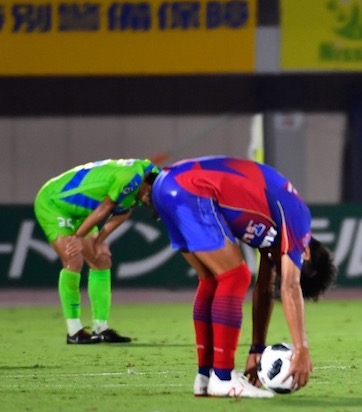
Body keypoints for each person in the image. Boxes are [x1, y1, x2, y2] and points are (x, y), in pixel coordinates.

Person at [143, 156, 336, 398]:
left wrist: (256, 348)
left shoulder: (273, 241)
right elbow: (289, 286)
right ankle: (223, 378)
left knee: (212, 280)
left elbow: (265, 289)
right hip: (191, 189)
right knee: (235, 277)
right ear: (305, 254)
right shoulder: (298, 221)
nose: (278, 269)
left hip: (167, 186)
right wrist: (302, 348)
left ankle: (205, 377)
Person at [34, 158, 159, 345]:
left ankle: (101, 328)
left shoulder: (149, 178)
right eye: (150, 201)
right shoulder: (131, 178)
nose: (149, 204)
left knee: (101, 260)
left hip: (82, 211)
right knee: (73, 259)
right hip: (55, 203)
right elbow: (106, 207)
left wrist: (99, 241)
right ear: (148, 188)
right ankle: (74, 331)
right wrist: (77, 237)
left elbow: (123, 212)